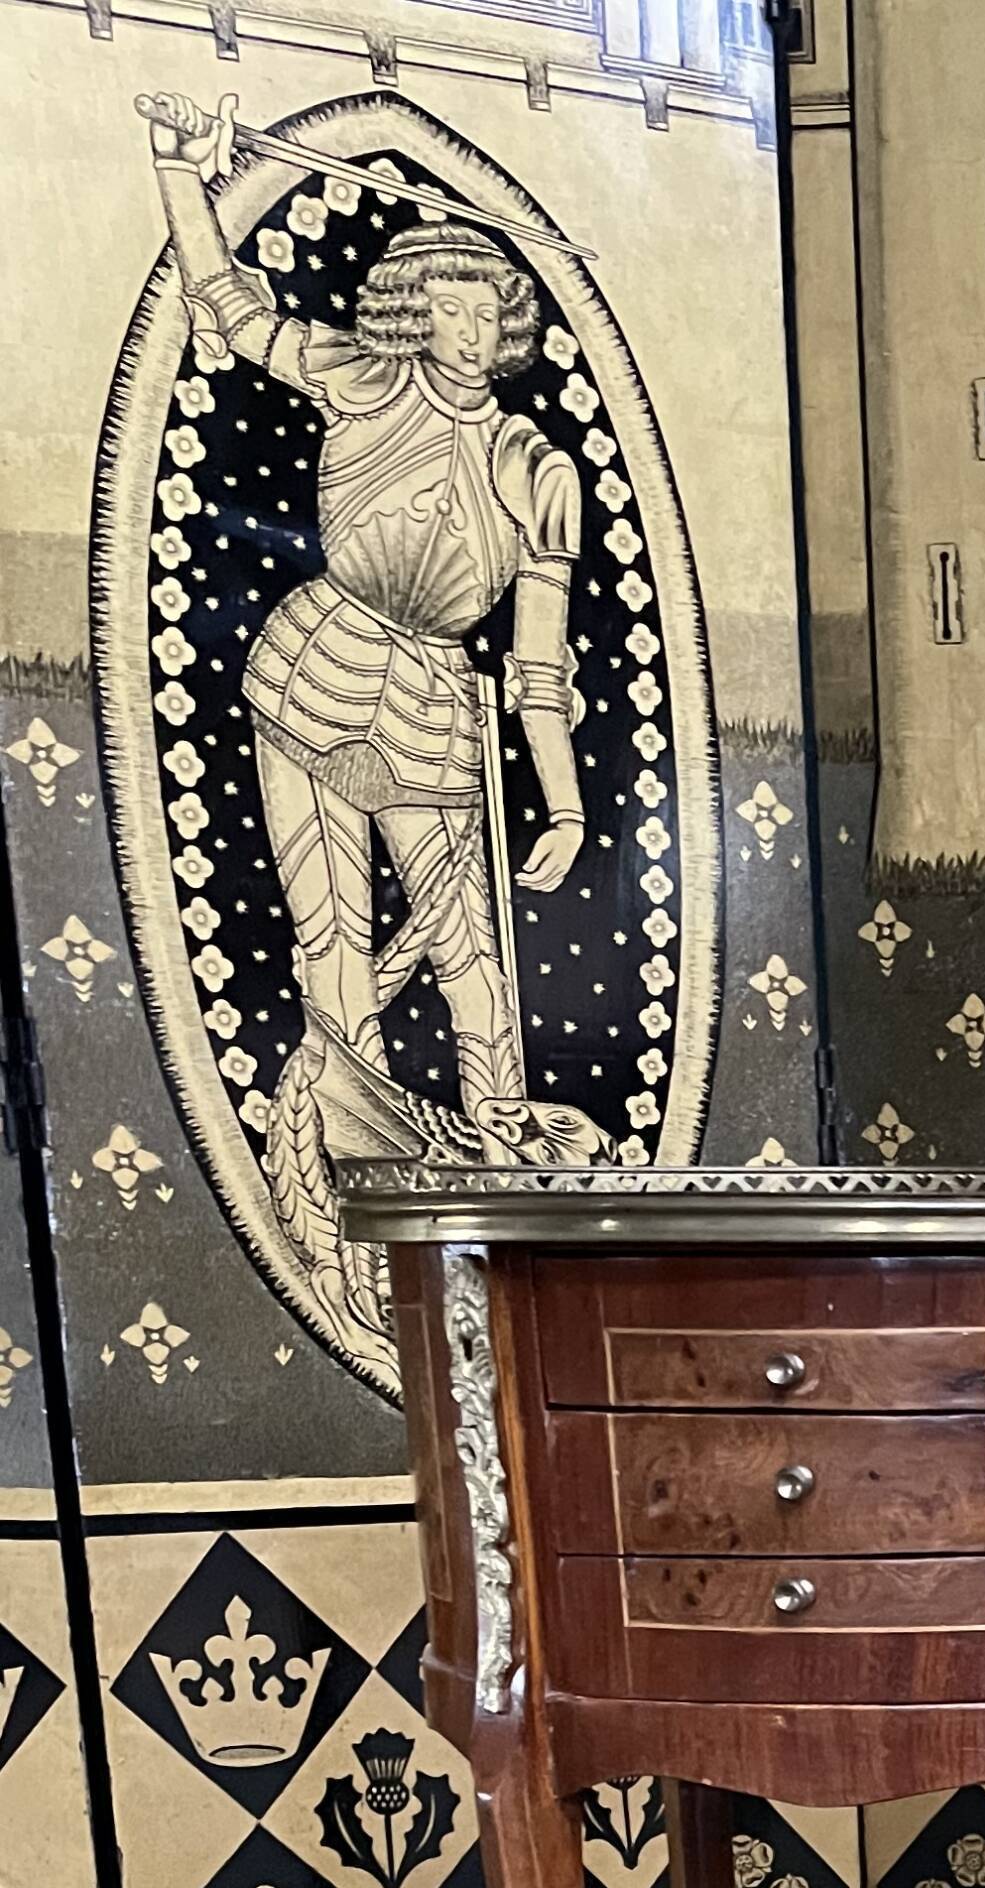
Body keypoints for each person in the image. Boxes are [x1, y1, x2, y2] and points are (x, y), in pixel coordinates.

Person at [140, 93, 600, 1336]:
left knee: (469, 959)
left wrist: (561, 799)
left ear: (503, 324)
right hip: (310, 667)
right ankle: (355, 1189)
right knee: (328, 936)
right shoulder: (361, 375)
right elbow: (231, 315)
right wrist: (186, 177)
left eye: (481, 307)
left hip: (440, 707)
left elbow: (539, 662)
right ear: (411, 309)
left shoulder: (537, 467)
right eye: (440, 304)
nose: (461, 326)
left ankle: (502, 1161)